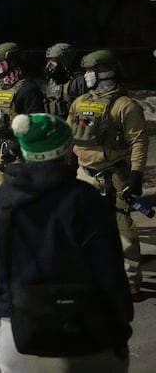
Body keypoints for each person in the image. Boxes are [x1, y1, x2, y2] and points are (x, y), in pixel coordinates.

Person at [0, 113, 132, 372]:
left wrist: (2, 316)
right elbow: (110, 272)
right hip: (87, 331)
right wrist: (121, 323)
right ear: (65, 152)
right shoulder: (86, 200)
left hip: (19, 334)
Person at [68, 49, 148, 296]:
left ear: (106, 72)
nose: (86, 76)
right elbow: (68, 136)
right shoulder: (79, 103)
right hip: (84, 174)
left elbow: (138, 141)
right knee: (83, 227)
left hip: (114, 176)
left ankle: (130, 280)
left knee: (123, 226)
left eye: (90, 71)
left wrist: (136, 174)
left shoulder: (126, 106)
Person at [0, 42, 45, 187]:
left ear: (13, 61)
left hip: (19, 155)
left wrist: (14, 149)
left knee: (21, 195)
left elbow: (35, 124)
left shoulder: (28, 89)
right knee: (1, 195)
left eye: (1, 62)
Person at [42, 42, 86, 120]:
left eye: (53, 60)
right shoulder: (50, 83)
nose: (49, 65)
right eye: (48, 60)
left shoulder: (78, 82)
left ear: (65, 61)